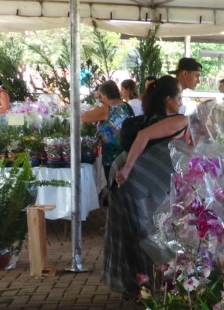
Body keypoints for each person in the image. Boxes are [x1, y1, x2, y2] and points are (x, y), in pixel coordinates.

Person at [103, 76, 189, 297]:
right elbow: (144, 137)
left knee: (129, 235)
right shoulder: (179, 121)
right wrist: (129, 168)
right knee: (152, 235)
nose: (180, 102)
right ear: (168, 99)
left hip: (126, 184)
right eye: (178, 98)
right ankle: (154, 287)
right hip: (144, 186)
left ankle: (134, 286)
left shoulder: (148, 118)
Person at [80, 80, 134, 177]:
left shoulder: (107, 109)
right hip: (126, 155)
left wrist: (96, 108)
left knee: (113, 187)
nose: (100, 100)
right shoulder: (126, 106)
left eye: (100, 97)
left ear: (105, 95)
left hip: (112, 158)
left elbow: (83, 117)